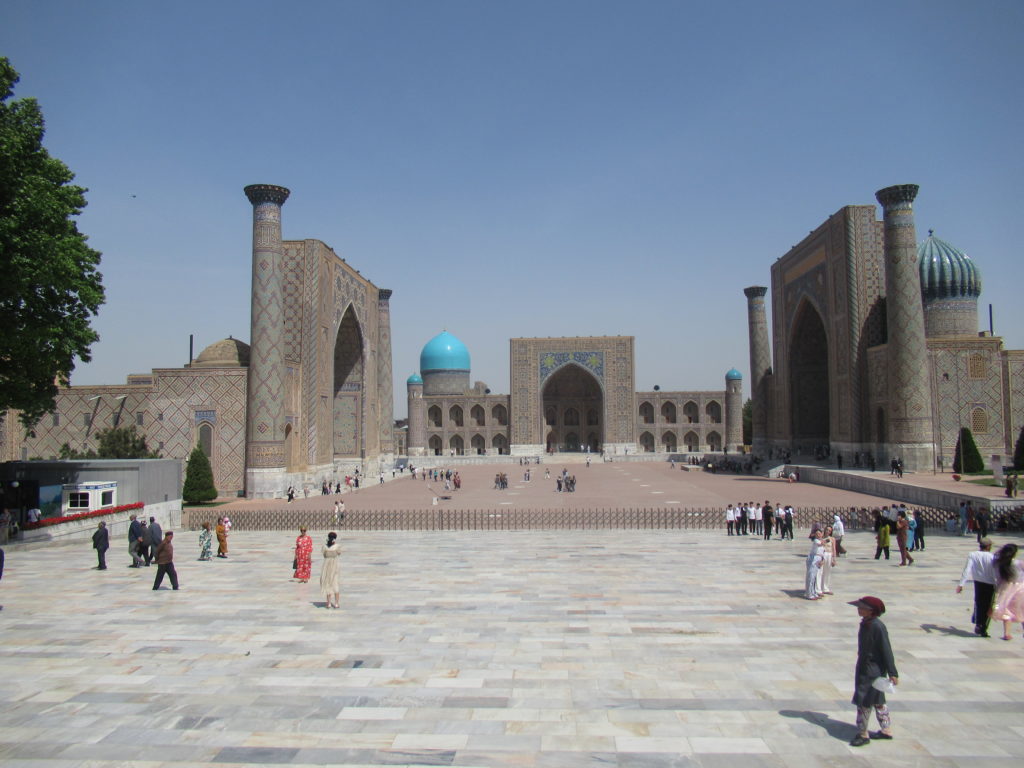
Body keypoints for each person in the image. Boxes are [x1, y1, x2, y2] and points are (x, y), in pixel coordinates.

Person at [848, 596, 898, 746]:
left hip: (871, 670)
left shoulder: (877, 627)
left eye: (861, 607)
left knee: (864, 700)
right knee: (877, 699)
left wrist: (893, 672)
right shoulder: (866, 623)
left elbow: (886, 649)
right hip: (868, 666)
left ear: (871, 611)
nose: (858, 609)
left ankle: (863, 733)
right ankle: (886, 730)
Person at [957, 538, 996, 637]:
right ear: (988, 546)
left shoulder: (973, 554)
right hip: (990, 583)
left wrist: (961, 584)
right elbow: (995, 572)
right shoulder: (992, 557)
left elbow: (967, 569)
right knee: (988, 605)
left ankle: (978, 623)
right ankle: (983, 627)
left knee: (978, 602)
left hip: (978, 582)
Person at [990, 543, 1024, 641]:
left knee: (1006, 609)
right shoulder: (1019, 563)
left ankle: (1007, 633)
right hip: (1020, 588)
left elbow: (997, 577)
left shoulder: (998, 563)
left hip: (1005, 588)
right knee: (1022, 609)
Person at [320, 531, 342, 609]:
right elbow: (339, 553)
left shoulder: (324, 547)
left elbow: (324, 555)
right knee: (335, 583)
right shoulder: (337, 546)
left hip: (326, 566)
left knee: (327, 583)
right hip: (334, 566)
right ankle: (336, 603)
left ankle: (329, 603)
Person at [805, 528, 824, 600]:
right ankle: (809, 594)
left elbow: (822, 552)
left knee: (815, 577)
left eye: (819, 534)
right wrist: (826, 541)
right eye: (816, 534)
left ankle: (813, 592)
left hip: (818, 558)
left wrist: (822, 560)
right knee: (811, 576)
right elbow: (819, 544)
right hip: (813, 558)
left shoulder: (821, 540)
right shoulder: (816, 540)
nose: (818, 535)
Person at [819, 525, 837, 595]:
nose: (828, 531)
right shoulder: (821, 538)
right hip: (823, 554)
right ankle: (819, 588)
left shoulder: (832, 539)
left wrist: (834, 559)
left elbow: (834, 549)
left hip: (829, 554)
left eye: (829, 531)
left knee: (827, 572)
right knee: (821, 571)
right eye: (827, 530)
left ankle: (825, 588)